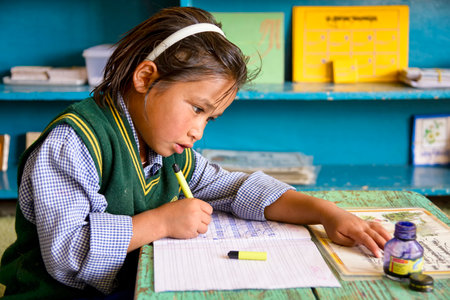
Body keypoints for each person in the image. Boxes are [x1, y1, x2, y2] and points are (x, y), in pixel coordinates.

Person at [0, 6, 391, 299]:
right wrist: (162, 223)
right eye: (197, 108)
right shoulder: (72, 143)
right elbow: (68, 252)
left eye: (211, 119)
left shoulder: (166, 147)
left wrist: (325, 213)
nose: (197, 130)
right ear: (146, 77)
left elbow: (234, 188)